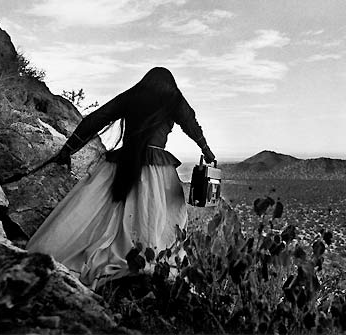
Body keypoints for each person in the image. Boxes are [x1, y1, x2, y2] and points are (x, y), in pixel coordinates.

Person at [27, 67, 215, 289]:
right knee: (158, 218)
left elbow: (97, 119)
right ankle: (148, 260)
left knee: (99, 212)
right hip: (156, 170)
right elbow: (191, 124)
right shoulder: (173, 98)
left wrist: (69, 148)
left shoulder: (133, 95)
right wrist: (207, 150)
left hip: (121, 164)